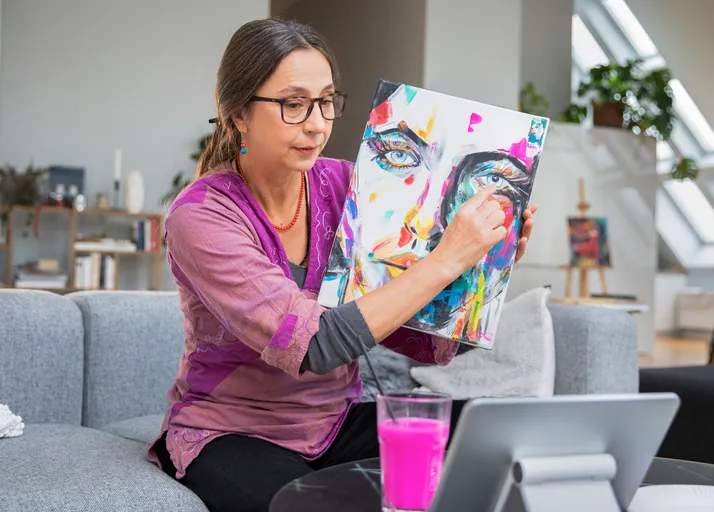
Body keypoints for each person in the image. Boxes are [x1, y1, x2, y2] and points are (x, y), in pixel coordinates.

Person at [147, 18, 537, 512]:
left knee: (508, 434)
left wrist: (482, 269)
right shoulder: (202, 216)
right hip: (232, 432)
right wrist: (446, 259)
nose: (317, 124)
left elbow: (417, 336)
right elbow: (316, 345)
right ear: (239, 113)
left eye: (327, 101)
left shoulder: (346, 185)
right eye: (293, 104)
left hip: (335, 423)